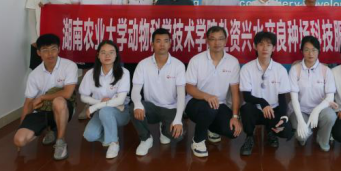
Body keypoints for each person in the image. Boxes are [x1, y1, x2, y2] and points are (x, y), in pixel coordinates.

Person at [13, 34, 77, 160]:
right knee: (19, 140)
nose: (50, 54)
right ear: (38, 53)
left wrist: (43, 97)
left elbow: (67, 93)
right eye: (45, 50)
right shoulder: (34, 75)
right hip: (42, 111)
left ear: (59, 49)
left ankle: (60, 141)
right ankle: (50, 130)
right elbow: (28, 103)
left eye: (53, 49)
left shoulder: (69, 66)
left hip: (64, 108)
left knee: (58, 101)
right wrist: (22, 126)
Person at [185, 26, 242, 157]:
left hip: (220, 104)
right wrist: (206, 96)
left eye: (220, 39)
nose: (217, 43)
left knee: (232, 131)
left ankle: (210, 127)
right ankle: (198, 140)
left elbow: (235, 92)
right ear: (207, 41)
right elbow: (189, 88)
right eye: (213, 39)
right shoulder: (196, 60)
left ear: (226, 40)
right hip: (195, 102)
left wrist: (235, 117)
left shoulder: (233, 62)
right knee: (209, 108)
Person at [131, 28, 186, 156]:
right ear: (152, 44)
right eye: (158, 41)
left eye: (165, 41)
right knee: (133, 108)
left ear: (170, 44)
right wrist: (138, 105)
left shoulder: (178, 65)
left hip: (170, 108)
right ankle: (146, 138)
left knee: (178, 136)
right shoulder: (143, 64)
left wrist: (178, 119)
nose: (162, 44)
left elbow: (181, 95)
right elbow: (135, 90)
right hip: (151, 107)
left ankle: (164, 128)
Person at [239, 31, 292, 156]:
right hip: (255, 110)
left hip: (273, 110)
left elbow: (282, 98)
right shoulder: (247, 68)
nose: (264, 48)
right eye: (261, 44)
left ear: (273, 48)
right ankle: (249, 136)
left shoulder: (280, 70)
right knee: (246, 108)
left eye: (268, 45)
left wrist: (283, 117)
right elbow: (246, 96)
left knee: (286, 131)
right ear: (255, 46)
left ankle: (271, 133)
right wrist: (263, 102)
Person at [79, 40, 130, 159]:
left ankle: (114, 142)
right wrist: (100, 103)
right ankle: (110, 136)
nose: (107, 56)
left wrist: (95, 107)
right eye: (103, 52)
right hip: (101, 111)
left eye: (111, 52)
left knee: (105, 111)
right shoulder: (90, 73)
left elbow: (120, 101)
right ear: (98, 55)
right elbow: (83, 96)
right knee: (89, 135)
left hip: (121, 111)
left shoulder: (124, 73)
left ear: (116, 55)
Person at [289, 35, 337, 151]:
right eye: (307, 50)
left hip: (321, 109)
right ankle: (305, 134)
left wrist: (316, 110)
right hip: (301, 110)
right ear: (302, 51)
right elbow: (294, 98)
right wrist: (300, 120)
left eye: (314, 50)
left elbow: (330, 97)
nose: (310, 54)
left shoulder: (326, 70)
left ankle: (322, 140)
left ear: (319, 51)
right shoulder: (295, 69)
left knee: (330, 116)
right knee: (301, 136)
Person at [26, 0, 72, 69]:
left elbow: (67, 10)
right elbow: (31, 16)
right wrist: (33, 38)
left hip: (59, 36)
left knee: (60, 68)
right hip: (39, 36)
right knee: (38, 69)